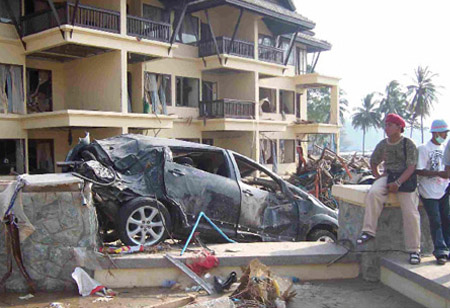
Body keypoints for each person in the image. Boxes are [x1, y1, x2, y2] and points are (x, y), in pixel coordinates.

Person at [356, 113, 421, 265]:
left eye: (390, 125)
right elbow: (373, 161)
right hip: (388, 175)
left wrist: (398, 183)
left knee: (410, 212)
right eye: (385, 125)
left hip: (405, 179)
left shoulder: (408, 143)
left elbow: (411, 167)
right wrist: (377, 176)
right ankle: (368, 231)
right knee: (373, 193)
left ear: (399, 127)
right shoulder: (383, 144)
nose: (387, 128)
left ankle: (414, 250)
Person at [416, 119, 450, 265]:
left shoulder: (445, 148)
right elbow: (419, 170)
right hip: (428, 191)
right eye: (443, 132)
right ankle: (440, 251)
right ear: (436, 132)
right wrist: (437, 173)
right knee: (435, 221)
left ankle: (447, 247)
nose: (445, 135)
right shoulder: (424, 148)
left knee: (446, 220)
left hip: (443, 189)